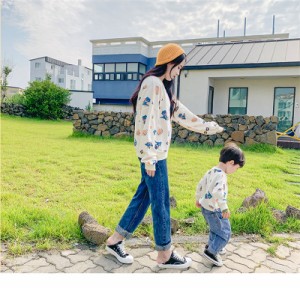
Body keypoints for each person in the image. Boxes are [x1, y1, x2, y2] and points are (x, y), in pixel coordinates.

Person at [106, 43, 224, 269]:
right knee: (161, 203)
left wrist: (208, 127)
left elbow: (184, 115)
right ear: (169, 63)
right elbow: (144, 122)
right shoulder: (152, 84)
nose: (179, 72)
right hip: (153, 156)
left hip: (156, 155)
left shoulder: (163, 88)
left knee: (143, 199)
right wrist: (149, 157)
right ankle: (164, 254)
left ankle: (114, 241)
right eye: (179, 67)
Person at [195, 143, 245, 267]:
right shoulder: (221, 175)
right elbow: (218, 192)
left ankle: (213, 246)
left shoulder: (211, 170)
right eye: (236, 168)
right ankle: (211, 252)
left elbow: (200, 185)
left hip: (205, 207)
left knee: (215, 229)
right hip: (215, 209)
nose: (235, 171)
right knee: (225, 233)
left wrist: (198, 199)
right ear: (231, 162)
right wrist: (224, 207)